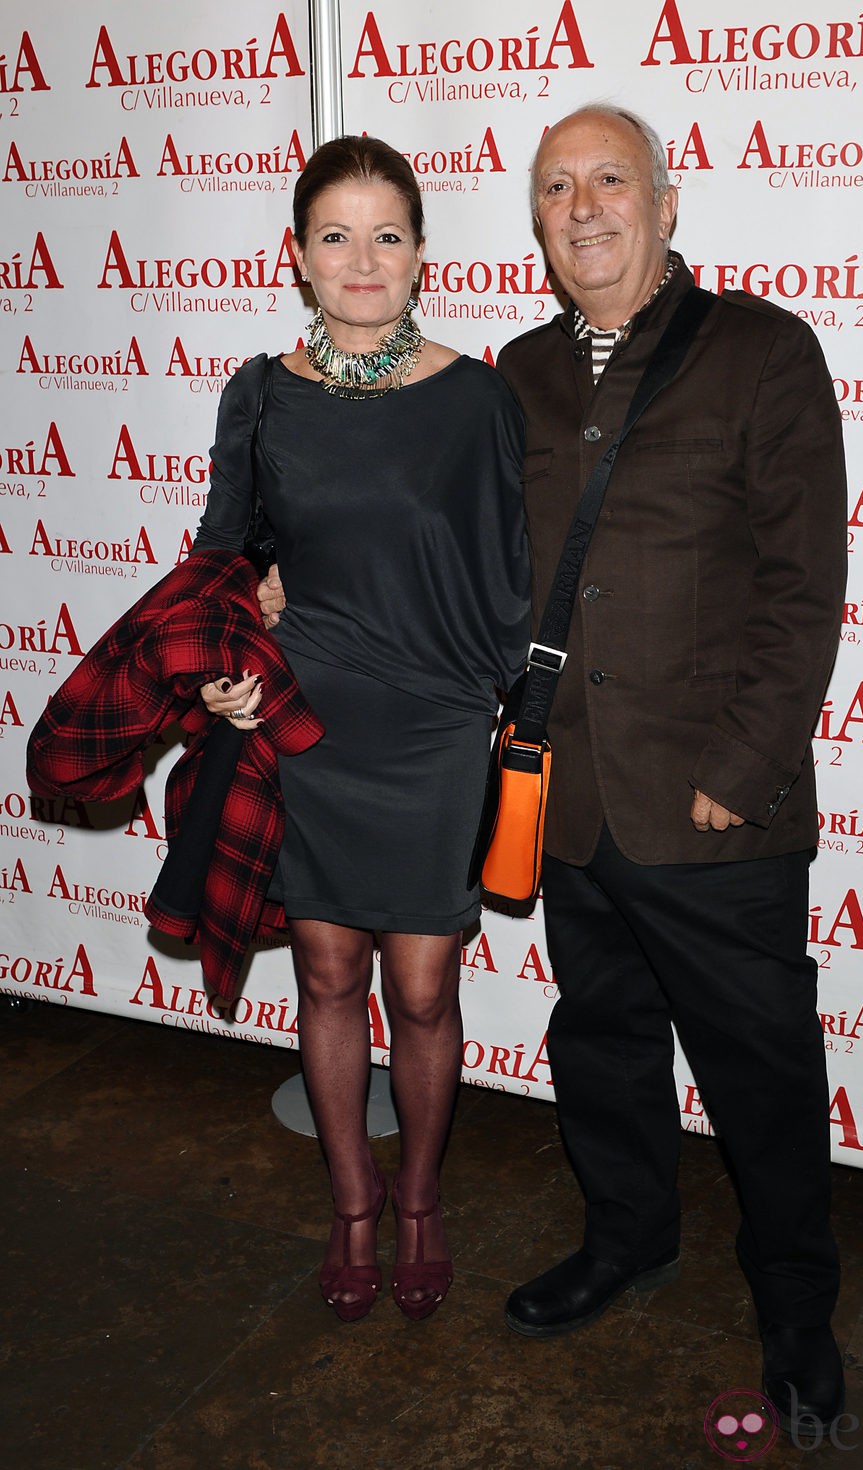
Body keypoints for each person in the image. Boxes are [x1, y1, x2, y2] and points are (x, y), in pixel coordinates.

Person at [491, 104, 849, 1436]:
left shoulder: (762, 351)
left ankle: (799, 1316)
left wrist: (742, 765)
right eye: (557, 188)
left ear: (666, 198)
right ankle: (628, 1235)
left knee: (762, 1074)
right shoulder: (517, 373)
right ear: (537, 219)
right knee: (604, 1046)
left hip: (716, 808)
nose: (585, 207)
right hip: (573, 799)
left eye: (610, 180)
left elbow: (805, 581)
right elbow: (478, 565)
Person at [196, 134, 530, 1323]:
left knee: (424, 989)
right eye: (334, 234)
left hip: (437, 728)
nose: (361, 257)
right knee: (330, 974)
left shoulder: (473, 396)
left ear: (420, 255)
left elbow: (509, 581)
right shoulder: (262, 393)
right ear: (297, 255)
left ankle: (423, 1199)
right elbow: (221, 562)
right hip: (308, 718)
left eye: (385, 233)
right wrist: (232, 667)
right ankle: (350, 1205)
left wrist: (483, 716)